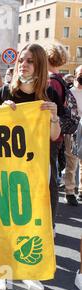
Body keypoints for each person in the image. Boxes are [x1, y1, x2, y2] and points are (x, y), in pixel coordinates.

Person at [0, 43, 62, 290]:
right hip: (6, 169)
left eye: (30, 61)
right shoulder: (3, 93)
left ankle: (30, 272)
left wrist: (54, 118)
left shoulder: (48, 96)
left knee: (32, 220)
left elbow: (55, 136)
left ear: (40, 65)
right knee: (5, 219)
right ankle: (2, 271)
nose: (24, 64)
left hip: (37, 171)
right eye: (22, 59)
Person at [46, 45, 77, 206]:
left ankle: (49, 221)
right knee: (54, 173)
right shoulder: (60, 79)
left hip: (51, 133)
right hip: (58, 133)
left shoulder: (50, 81)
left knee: (49, 179)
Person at [72, 65, 82, 202]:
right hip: (74, 127)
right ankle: (70, 187)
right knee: (73, 159)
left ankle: (80, 189)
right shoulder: (71, 92)